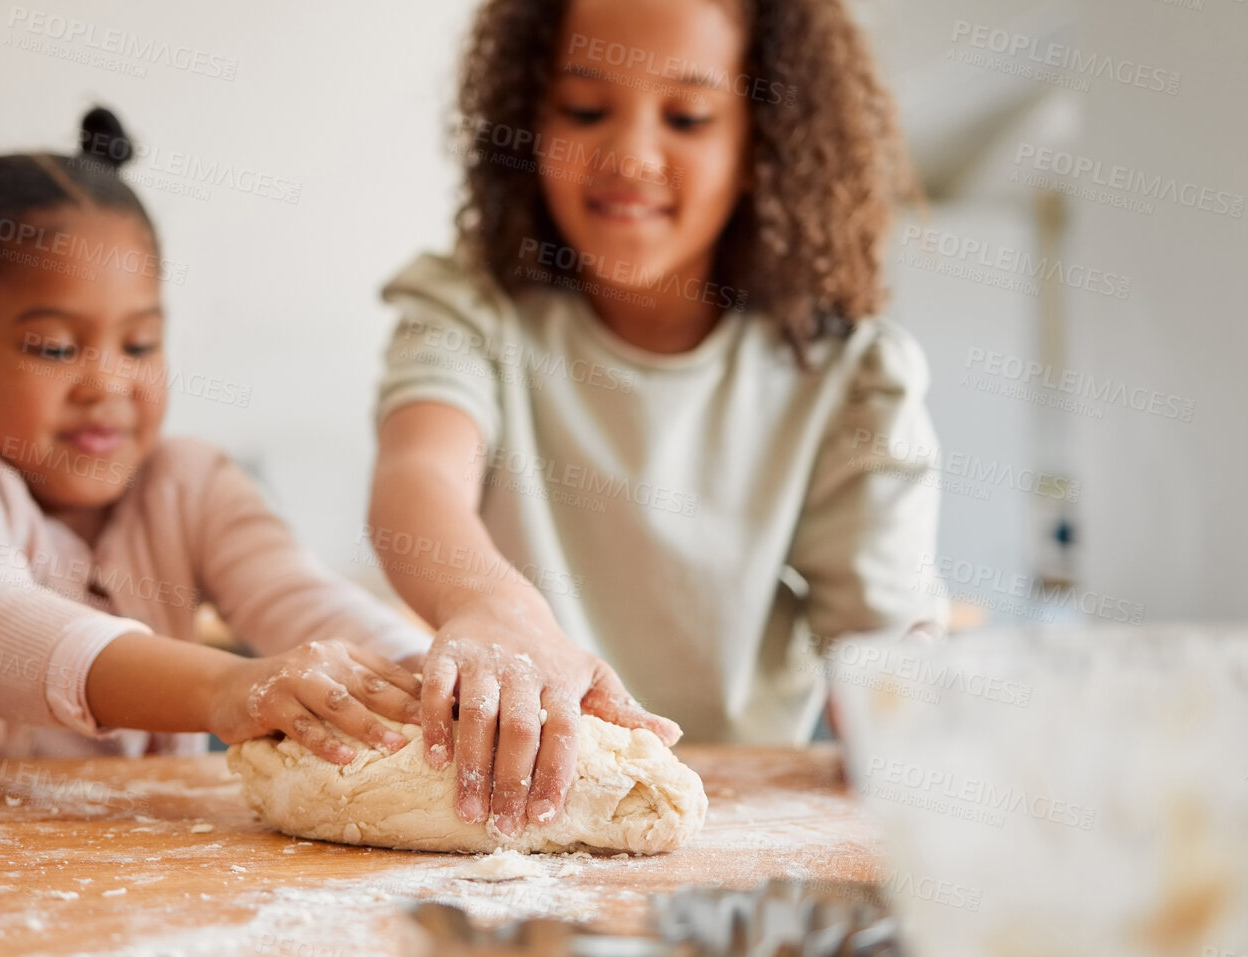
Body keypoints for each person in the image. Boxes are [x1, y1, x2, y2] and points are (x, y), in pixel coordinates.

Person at [368, 0, 944, 837]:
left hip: (736, 836)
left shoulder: (846, 376)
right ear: (528, 118)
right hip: (507, 827)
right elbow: (417, 476)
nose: (630, 156)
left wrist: (917, 719)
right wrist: (496, 606)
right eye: (584, 108)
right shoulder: (471, 308)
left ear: (762, 143)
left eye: (688, 116)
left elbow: (877, 654)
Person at [0, 107, 426, 761]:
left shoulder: (192, 483)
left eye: (139, 343)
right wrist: (225, 685)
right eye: (54, 348)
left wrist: (434, 675)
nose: (107, 384)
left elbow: (303, 599)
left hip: (146, 857)